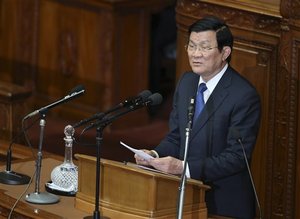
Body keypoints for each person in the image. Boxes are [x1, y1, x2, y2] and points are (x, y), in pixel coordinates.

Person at [135, 15, 261, 219]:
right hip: (184, 198)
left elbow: (237, 157)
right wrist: (153, 156)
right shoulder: (187, 83)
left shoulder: (244, 95)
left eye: (204, 47)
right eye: (191, 46)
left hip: (224, 203)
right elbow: (177, 137)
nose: (195, 54)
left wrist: (184, 168)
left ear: (225, 52)